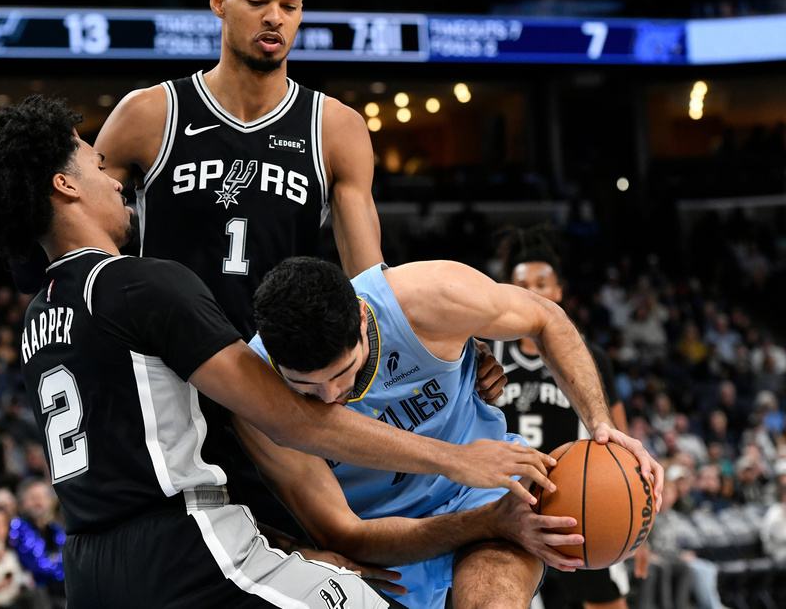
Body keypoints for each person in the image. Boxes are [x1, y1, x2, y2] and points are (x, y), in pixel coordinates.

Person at [0, 95, 560, 608]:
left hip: (90, 572)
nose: (111, 178)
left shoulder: (35, 320)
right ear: (64, 183)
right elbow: (292, 419)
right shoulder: (144, 281)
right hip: (186, 550)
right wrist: (456, 461)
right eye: (93, 165)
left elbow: (139, 459)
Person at [89, 0, 384, 539]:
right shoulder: (150, 114)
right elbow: (80, 243)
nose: (275, 16)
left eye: (291, 4)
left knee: (308, 559)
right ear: (219, 3)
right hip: (170, 380)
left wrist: (454, 359)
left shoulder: (335, 128)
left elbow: (372, 289)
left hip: (280, 383)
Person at [243, 256, 665, 608]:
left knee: (493, 600)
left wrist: (601, 425)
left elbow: (546, 318)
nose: (332, 395)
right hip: (382, 538)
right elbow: (345, 535)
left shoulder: (428, 297)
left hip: (483, 489)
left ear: (358, 315)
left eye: (343, 372)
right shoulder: (256, 395)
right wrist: (487, 518)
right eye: (307, 389)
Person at [491, 227, 638, 609]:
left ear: (559, 292)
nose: (534, 291)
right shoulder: (486, 352)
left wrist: (638, 529)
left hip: (578, 505)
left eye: (544, 283)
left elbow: (621, 442)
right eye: (523, 284)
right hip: (505, 506)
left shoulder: (588, 359)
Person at [10, 480, 64, 608]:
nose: (38, 502)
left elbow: (69, 558)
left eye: (42, 497)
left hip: (59, 588)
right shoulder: (18, 527)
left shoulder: (55, 528)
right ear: (22, 503)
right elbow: (37, 565)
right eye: (33, 498)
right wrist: (60, 566)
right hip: (35, 593)